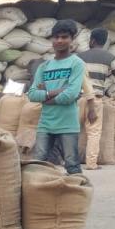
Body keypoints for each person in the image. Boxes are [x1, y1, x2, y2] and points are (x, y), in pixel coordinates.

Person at [27, 20, 87, 175]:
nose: (59, 41)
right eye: (56, 37)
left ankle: (76, 197)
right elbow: (32, 95)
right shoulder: (44, 67)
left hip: (67, 123)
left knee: (72, 165)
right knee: (38, 163)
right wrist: (55, 92)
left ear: (72, 39)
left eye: (64, 37)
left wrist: (46, 98)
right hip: (46, 123)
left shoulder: (76, 63)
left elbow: (71, 95)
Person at [78, 28, 115, 170]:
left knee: (71, 130)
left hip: (77, 98)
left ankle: (68, 159)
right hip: (94, 100)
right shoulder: (110, 58)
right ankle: (91, 163)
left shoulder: (79, 57)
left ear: (92, 40)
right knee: (94, 132)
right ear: (104, 42)